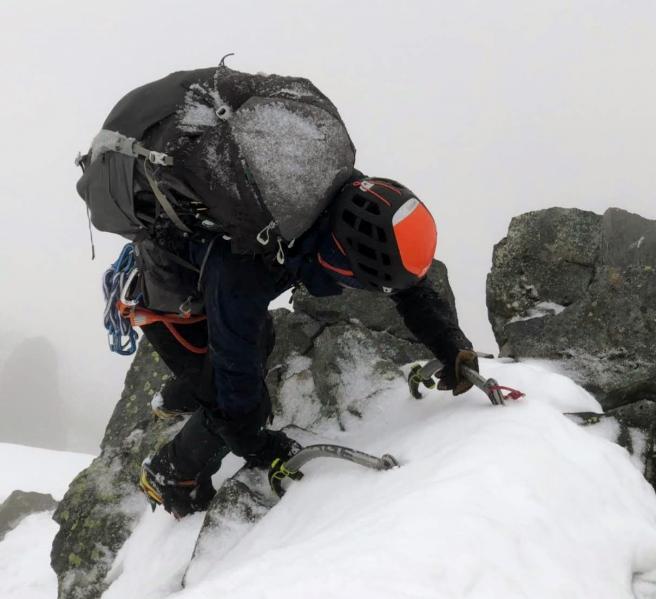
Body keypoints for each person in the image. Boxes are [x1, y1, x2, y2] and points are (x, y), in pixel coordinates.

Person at [78, 64, 478, 518]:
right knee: (235, 395)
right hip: (171, 297)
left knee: (252, 344)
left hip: (201, 259)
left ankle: (179, 397)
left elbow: (408, 287)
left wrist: (449, 344)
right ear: (346, 263)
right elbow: (236, 382)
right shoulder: (250, 265)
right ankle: (170, 474)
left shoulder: (334, 190)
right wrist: (258, 443)